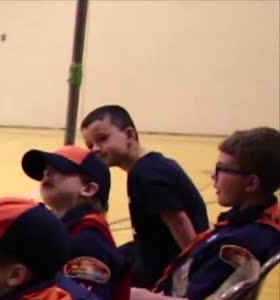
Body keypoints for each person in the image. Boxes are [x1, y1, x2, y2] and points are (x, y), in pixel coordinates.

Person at [127, 127, 280, 300]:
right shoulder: (254, 222)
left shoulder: (239, 243)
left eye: (222, 169)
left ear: (251, 183)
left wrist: (144, 298)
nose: (213, 176)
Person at [80, 105, 209, 289]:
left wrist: (196, 272)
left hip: (162, 274)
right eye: (90, 145)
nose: (95, 149)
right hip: (149, 256)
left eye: (102, 139)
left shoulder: (147, 173)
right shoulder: (149, 166)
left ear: (130, 135)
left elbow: (179, 221)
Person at [22, 144, 133, 300]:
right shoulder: (68, 230)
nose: (47, 173)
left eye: (60, 170)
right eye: (46, 170)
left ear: (88, 189)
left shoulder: (87, 241)